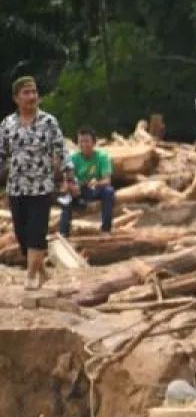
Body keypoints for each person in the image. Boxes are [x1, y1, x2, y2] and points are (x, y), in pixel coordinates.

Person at [0, 77, 66, 290]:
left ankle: (30, 277)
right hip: (16, 188)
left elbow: (61, 151)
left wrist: (70, 177)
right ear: (16, 98)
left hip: (41, 187)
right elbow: (1, 153)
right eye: (26, 93)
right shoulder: (7, 124)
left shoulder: (49, 122)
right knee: (22, 236)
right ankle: (42, 271)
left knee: (37, 232)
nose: (32, 96)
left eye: (34, 92)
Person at [58, 127, 115, 237]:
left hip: (95, 189)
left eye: (86, 141)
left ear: (93, 142)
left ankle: (106, 230)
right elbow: (68, 179)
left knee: (109, 191)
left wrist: (96, 183)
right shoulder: (73, 158)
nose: (84, 144)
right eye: (81, 141)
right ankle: (63, 233)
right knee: (66, 198)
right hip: (79, 190)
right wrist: (72, 187)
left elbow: (107, 180)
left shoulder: (102, 156)